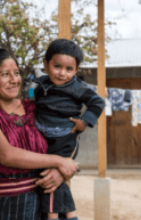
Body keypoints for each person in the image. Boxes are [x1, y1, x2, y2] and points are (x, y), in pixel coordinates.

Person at [0, 48, 79, 220]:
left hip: (50, 200)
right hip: (12, 205)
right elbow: (6, 154)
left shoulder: (35, 107)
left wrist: (60, 171)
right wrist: (58, 161)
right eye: (5, 74)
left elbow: (67, 135)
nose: (14, 80)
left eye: (16, 73)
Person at [34, 39, 105, 220]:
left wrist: (85, 121)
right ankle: (70, 216)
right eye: (57, 66)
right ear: (45, 63)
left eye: (69, 69)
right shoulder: (41, 85)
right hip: (42, 135)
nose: (62, 73)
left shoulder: (78, 87)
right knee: (52, 176)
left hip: (64, 137)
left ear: (76, 70)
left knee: (50, 175)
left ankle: (52, 216)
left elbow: (98, 102)